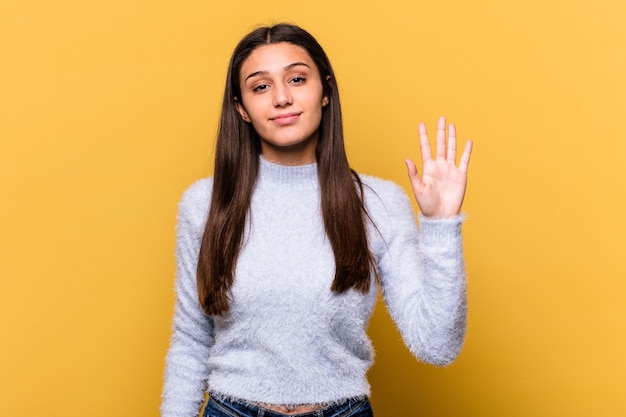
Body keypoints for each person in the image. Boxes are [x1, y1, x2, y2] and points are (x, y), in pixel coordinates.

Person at [161, 23, 473, 417]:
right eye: (260, 87)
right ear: (241, 107)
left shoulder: (378, 204)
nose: (282, 98)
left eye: (296, 79)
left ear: (325, 91)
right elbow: (191, 339)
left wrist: (441, 225)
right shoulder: (204, 205)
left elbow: (437, 345)